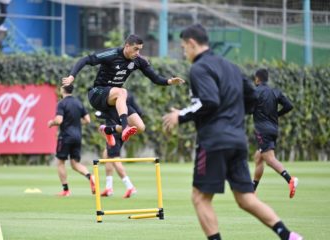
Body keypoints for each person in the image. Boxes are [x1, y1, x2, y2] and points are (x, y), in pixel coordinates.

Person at [162, 24, 303, 240]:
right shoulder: (230, 66)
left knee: (200, 198)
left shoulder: (199, 69)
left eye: (183, 47)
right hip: (237, 140)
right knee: (246, 198)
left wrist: (180, 115)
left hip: (213, 141)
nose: (184, 52)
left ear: (192, 43)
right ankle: (288, 236)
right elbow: (253, 98)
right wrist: (234, 118)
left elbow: (209, 101)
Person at [62, 34, 184, 147]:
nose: (138, 52)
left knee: (140, 127)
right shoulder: (112, 54)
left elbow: (155, 78)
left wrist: (169, 81)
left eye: (140, 49)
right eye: (136, 49)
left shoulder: (138, 61)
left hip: (114, 99)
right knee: (122, 92)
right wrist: (72, 76)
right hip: (97, 93)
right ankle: (124, 127)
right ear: (127, 46)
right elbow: (85, 60)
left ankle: (108, 130)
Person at [251, 69, 297, 198]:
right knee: (258, 157)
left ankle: (290, 179)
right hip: (273, 129)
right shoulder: (275, 91)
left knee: (269, 159)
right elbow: (289, 106)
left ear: (257, 79)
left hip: (262, 130)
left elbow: (249, 110)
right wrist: (276, 114)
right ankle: (252, 189)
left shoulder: (255, 92)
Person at [48, 84, 95, 197]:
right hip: (77, 136)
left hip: (65, 136)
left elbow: (59, 120)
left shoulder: (61, 103)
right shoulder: (78, 102)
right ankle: (90, 176)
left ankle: (65, 190)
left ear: (62, 89)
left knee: (60, 162)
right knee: (75, 164)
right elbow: (87, 120)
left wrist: (51, 123)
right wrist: (77, 124)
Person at [95, 92, 142, 198]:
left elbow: (100, 113)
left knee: (114, 158)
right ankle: (108, 187)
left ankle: (130, 187)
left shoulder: (109, 95)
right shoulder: (128, 95)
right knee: (107, 155)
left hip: (114, 130)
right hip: (123, 130)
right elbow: (139, 112)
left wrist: (100, 114)